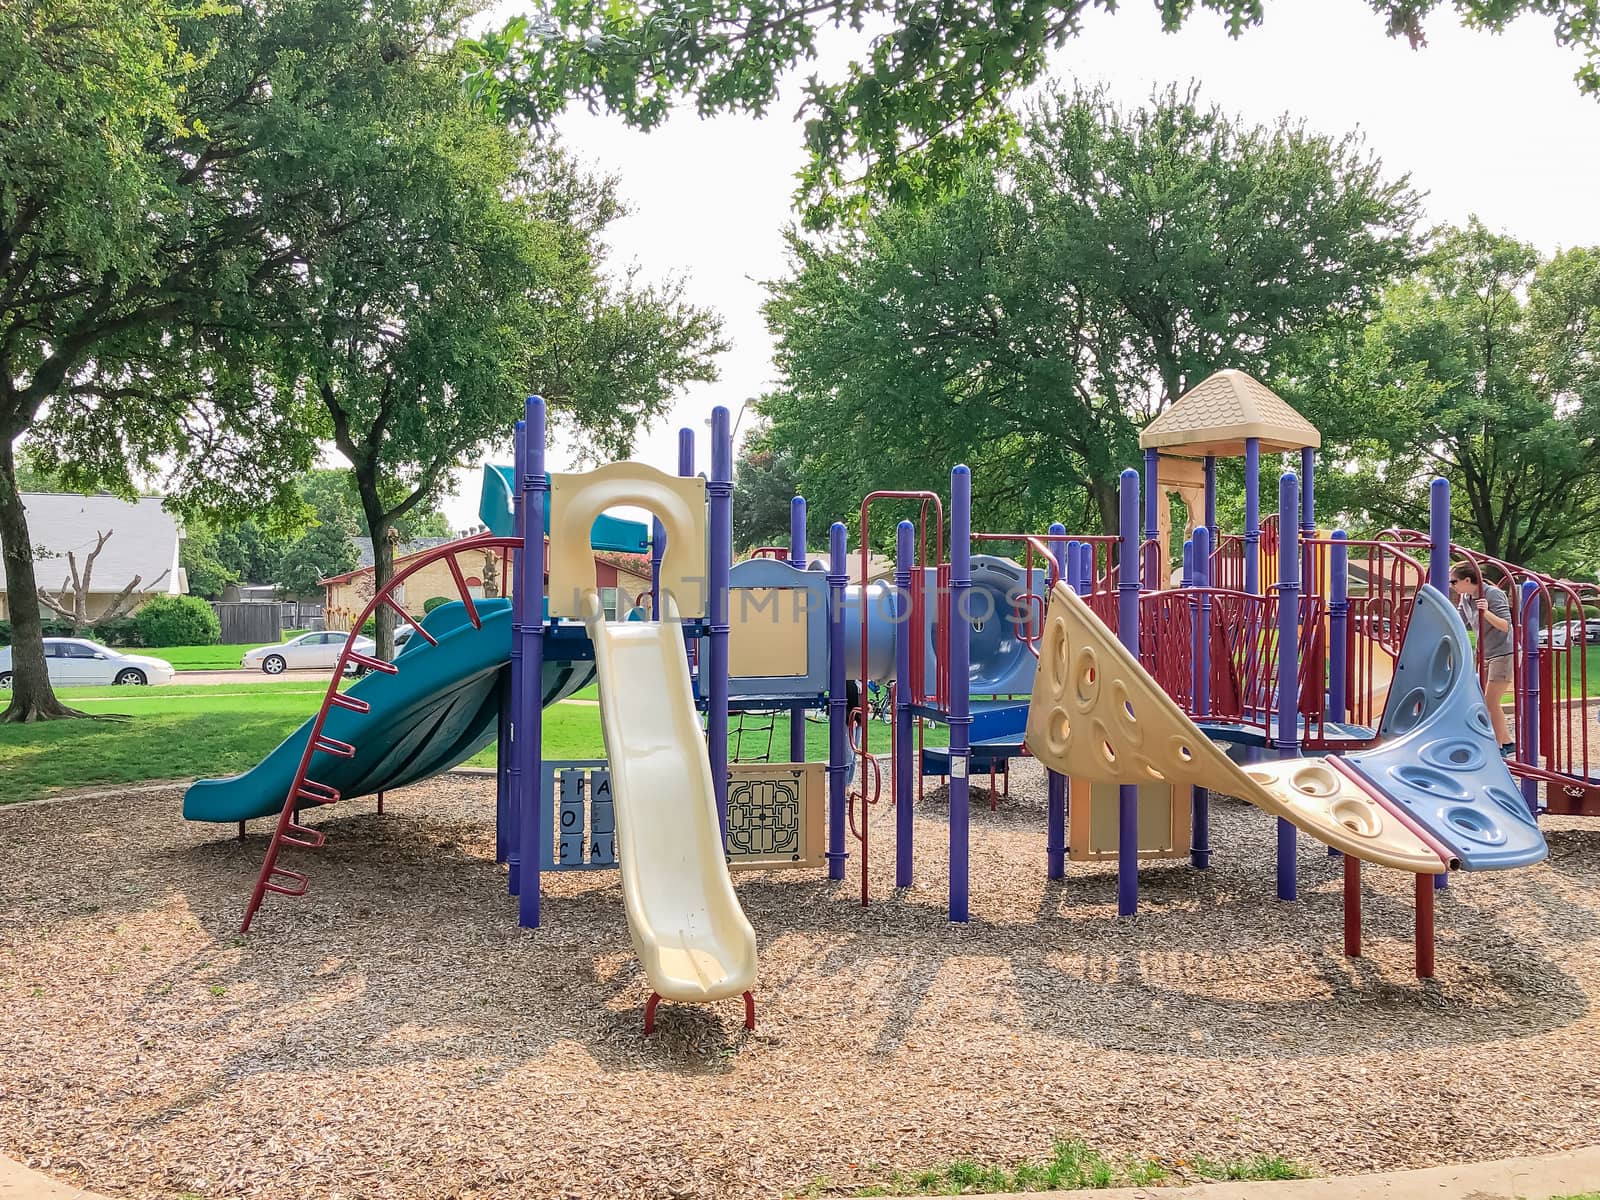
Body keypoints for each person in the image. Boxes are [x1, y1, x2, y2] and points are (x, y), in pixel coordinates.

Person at [1448, 561, 1516, 757]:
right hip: (1485, 653)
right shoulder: (1466, 598)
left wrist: (1486, 613)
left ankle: (1497, 746)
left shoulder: (1493, 594)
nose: (1452, 586)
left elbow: (1506, 626)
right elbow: (1458, 622)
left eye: (1454, 582)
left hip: (1504, 652)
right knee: (1488, 701)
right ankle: (1507, 742)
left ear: (1468, 580)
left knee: (1490, 701)